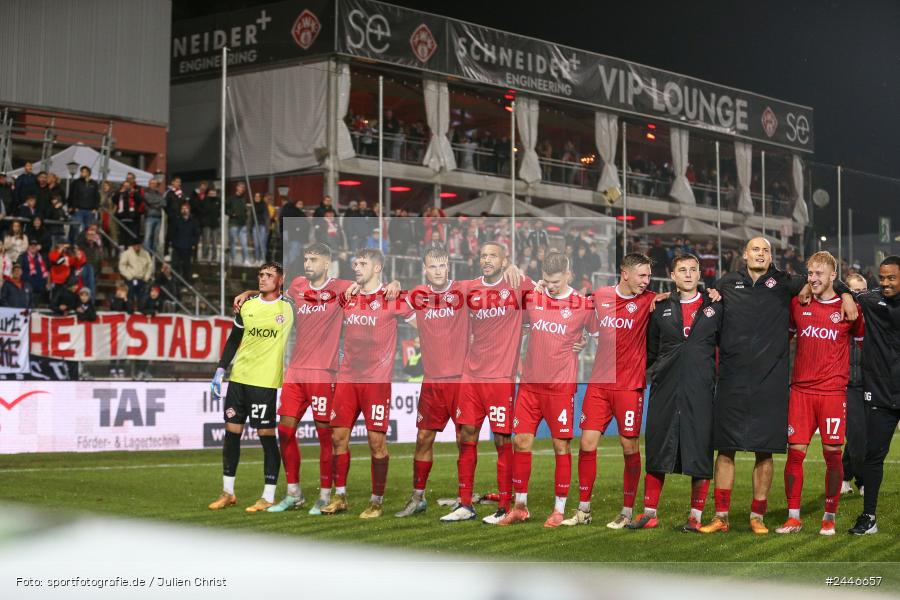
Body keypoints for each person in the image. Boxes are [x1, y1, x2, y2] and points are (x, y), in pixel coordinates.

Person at [700, 238, 856, 535]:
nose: (760, 253)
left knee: (764, 451)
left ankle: (757, 515)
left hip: (770, 381)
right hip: (732, 378)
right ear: (745, 255)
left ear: (771, 256)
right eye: (755, 249)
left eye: (765, 250)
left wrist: (847, 294)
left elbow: (821, 281)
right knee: (725, 450)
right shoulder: (726, 283)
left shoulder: (784, 282)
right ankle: (722, 516)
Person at [233, 243, 401, 515]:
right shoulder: (298, 285)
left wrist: (395, 281)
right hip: (296, 372)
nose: (307, 264)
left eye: (313, 260)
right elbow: (274, 295)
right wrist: (250, 292)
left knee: (329, 437)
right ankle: (294, 493)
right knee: (285, 431)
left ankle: (326, 494)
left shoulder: (342, 288)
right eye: (306, 259)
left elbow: (374, 283)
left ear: (327, 264)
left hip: (325, 373)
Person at [500, 252, 595, 527]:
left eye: (556, 281)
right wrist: (515, 267)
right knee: (521, 442)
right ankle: (520, 506)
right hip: (529, 386)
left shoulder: (582, 305)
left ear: (569, 275)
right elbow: (506, 280)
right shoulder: (534, 296)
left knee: (560, 446)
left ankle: (558, 509)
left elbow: (596, 332)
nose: (551, 286)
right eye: (547, 281)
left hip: (560, 388)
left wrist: (586, 339)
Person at [563, 253, 657, 529]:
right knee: (586, 444)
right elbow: (579, 316)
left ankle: (627, 511)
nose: (646, 281)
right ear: (625, 274)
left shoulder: (649, 300)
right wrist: (577, 339)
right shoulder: (601, 295)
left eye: (649, 276)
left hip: (629, 386)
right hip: (599, 385)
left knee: (629, 447)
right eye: (642, 275)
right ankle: (584, 509)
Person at [628, 254, 721, 532]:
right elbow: (652, 350)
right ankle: (649, 513)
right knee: (658, 445)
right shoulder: (660, 307)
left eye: (693, 269)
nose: (689, 274)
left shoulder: (715, 305)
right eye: (683, 270)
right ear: (672, 275)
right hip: (665, 387)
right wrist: (657, 373)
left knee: (700, 449)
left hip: (700, 388)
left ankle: (695, 516)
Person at [441, 242, 531, 524]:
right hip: (471, 375)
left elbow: (551, 295)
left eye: (493, 255)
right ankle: (465, 504)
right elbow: (438, 287)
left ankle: (505, 505)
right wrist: (394, 282)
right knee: (465, 436)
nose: (486, 259)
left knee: (502, 440)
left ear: (505, 260)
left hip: (501, 377)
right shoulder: (469, 288)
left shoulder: (518, 283)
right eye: (483, 255)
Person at [321, 249, 414, 518]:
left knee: (376, 442)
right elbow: (316, 291)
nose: (356, 267)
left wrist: (399, 285)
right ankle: (340, 497)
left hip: (376, 382)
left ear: (377, 268)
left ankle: (376, 500)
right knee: (338, 438)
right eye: (355, 263)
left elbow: (423, 323)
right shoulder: (347, 297)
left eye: (363, 263)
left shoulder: (391, 297)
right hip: (347, 379)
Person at [775, 251, 863, 536]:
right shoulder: (798, 304)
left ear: (832, 276)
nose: (812, 278)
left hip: (833, 394)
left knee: (833, 457)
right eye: (810, 273)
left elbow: (866, 346)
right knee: (795, 455)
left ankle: (829, 517)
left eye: (818, 274)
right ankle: (793, 517)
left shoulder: (849, 309)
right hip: (800, 391)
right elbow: (781, 339)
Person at [208, 262, 294, 512]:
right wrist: (221, 368)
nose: (263, 279)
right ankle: (227, 493)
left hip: (264, 382)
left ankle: (268, 496)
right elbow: (234, 338)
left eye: (269, 275)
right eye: (260, 275)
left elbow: (306, 294)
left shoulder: (287, 307)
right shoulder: (247, 305)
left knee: (266, 437)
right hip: (238, 379)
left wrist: (249, 291)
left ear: (281, 279)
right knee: (231, 434)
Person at [394, 246, 471, 518]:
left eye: (442, 266)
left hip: (460, 380)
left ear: (448, 266)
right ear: (425, 269)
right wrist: (393, 285)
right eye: (432, 267)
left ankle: (465, 499)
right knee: (423, 437)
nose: (438, 271)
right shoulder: (418, 295)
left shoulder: (462, 290)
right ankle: (418, 497)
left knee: (465, 439)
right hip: (432, 382)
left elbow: (493, 287)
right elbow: (392, 302)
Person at [848, 255, 900, 535]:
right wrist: (846, 296)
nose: (886, 283)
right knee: (873, 456)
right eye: (882, 277)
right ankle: (868, 517)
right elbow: (847, 290)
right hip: (880, 394)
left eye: (892, 277)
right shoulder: (871, 300)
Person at [841, 273, 869, 496]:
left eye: (863, 290)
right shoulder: (840, 315)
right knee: (858, 437)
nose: (859, 295)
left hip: (870, 385)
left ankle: (844, 475)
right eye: (855, 291)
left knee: (864, 436)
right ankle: (863, 480)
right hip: (849, 386)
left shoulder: (874, 315)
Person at [169, 202, 199, 282]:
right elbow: (172, 232)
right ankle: (175, 281)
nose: (184, 210)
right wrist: (173, 243)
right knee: (175, 265)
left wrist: (193, 243)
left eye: (185, 208)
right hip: (177, 246)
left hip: (188, 247)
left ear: (189, 210)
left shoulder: (193, 221)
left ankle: (186, 281)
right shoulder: (177, 220)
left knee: (187, 266)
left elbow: (196, 234)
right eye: (182, 208)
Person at [118, 242, 154, 310]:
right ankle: (129, 312)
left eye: (139, 245)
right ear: (133, 245)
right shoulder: (126, 253)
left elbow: (150, 265)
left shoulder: (145, 253)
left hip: (142, 279)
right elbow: (122, 265)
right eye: (136, 245)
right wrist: (128, 275)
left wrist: (146, 276)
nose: (138, 246)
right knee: (129, 297)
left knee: (142, 298)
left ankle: (141, 312)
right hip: (131, 279)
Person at [67, 166, 100, 235]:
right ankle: (75, 244)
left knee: (88, 229)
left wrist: (95, 208)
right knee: (76, 228)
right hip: (78, 210)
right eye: (81, 171)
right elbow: (71, 195)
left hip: (90, 210)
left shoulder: (94, 183)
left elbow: (97, 196)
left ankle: (84, 244)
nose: (82, 173)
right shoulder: (76, 182)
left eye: (84, 172)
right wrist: (71, 206)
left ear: (88, 173)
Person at [227, 182, 249, 266]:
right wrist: (232, 214)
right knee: (233, 242)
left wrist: (245, 217)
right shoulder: (231, 198)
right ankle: (233, 260)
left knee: (244, 243)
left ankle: (245, 260)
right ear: (237, 187)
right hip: (234, 223)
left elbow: (245, 210)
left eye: (243, 187)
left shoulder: (244, 199)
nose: (242, 189)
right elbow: (226, 208)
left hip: (242, 224)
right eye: (241, 187)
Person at [142, 179, 165, 254]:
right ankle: (146, 255)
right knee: (148, 237)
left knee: (155, 238)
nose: (154, 185)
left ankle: (153, 255)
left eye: (155, 183)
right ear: (149, 184)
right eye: (152, 183)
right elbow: (149, 201)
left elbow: (164, 203)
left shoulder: (159, 193)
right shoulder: (146, 193)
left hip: (158, 217)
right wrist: (158, 203)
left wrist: (155, 204)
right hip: (150, 216)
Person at [251, 192, 269, 263]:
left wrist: (267, 227)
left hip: (262, 226)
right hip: (255, 226)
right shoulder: (253, 205)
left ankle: (262, 259)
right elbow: (250, 217)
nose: (257, 198)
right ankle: (257, 259)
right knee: (256, 244)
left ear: (260, 198)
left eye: (258, 196)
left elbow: (267, 217)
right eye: (256, 196)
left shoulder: (264, 205)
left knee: (262, 244)